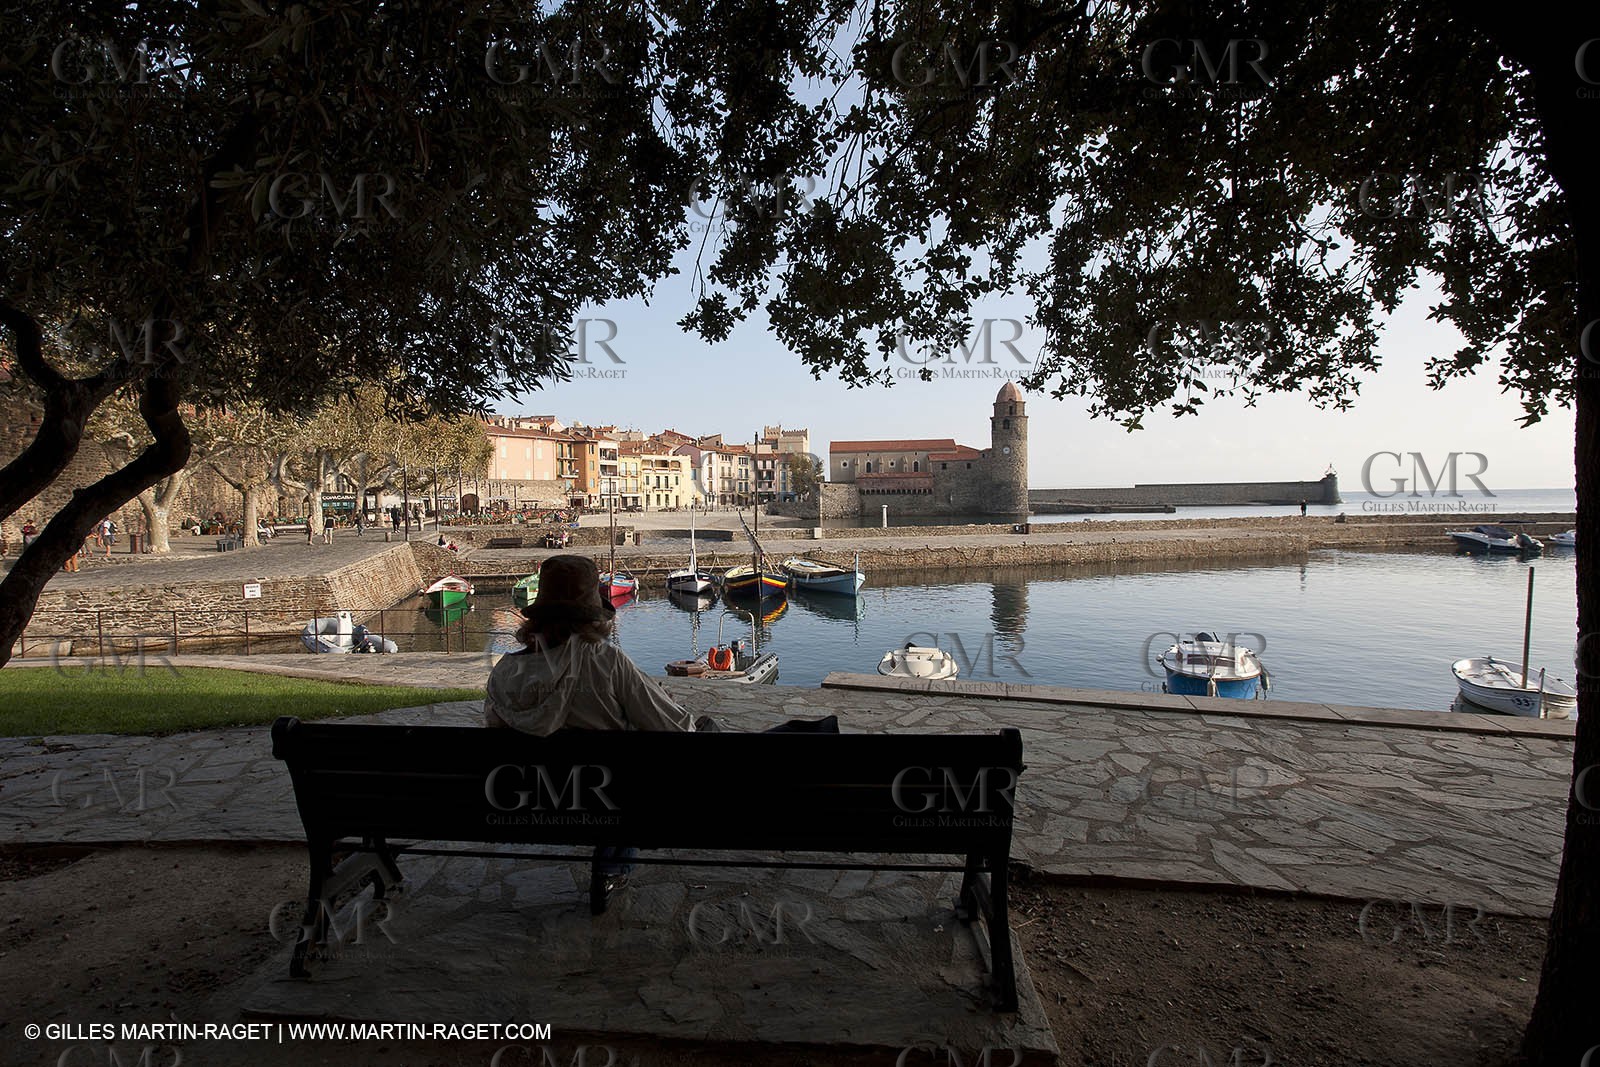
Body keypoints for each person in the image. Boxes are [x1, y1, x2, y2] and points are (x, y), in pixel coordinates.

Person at [485, 555, 695, 914]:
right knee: (642, 767)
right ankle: (613, 865)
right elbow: (673, 729)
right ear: (592, 613)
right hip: (610, 804)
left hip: (525, 805)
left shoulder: (504, 673)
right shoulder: (605, 661)